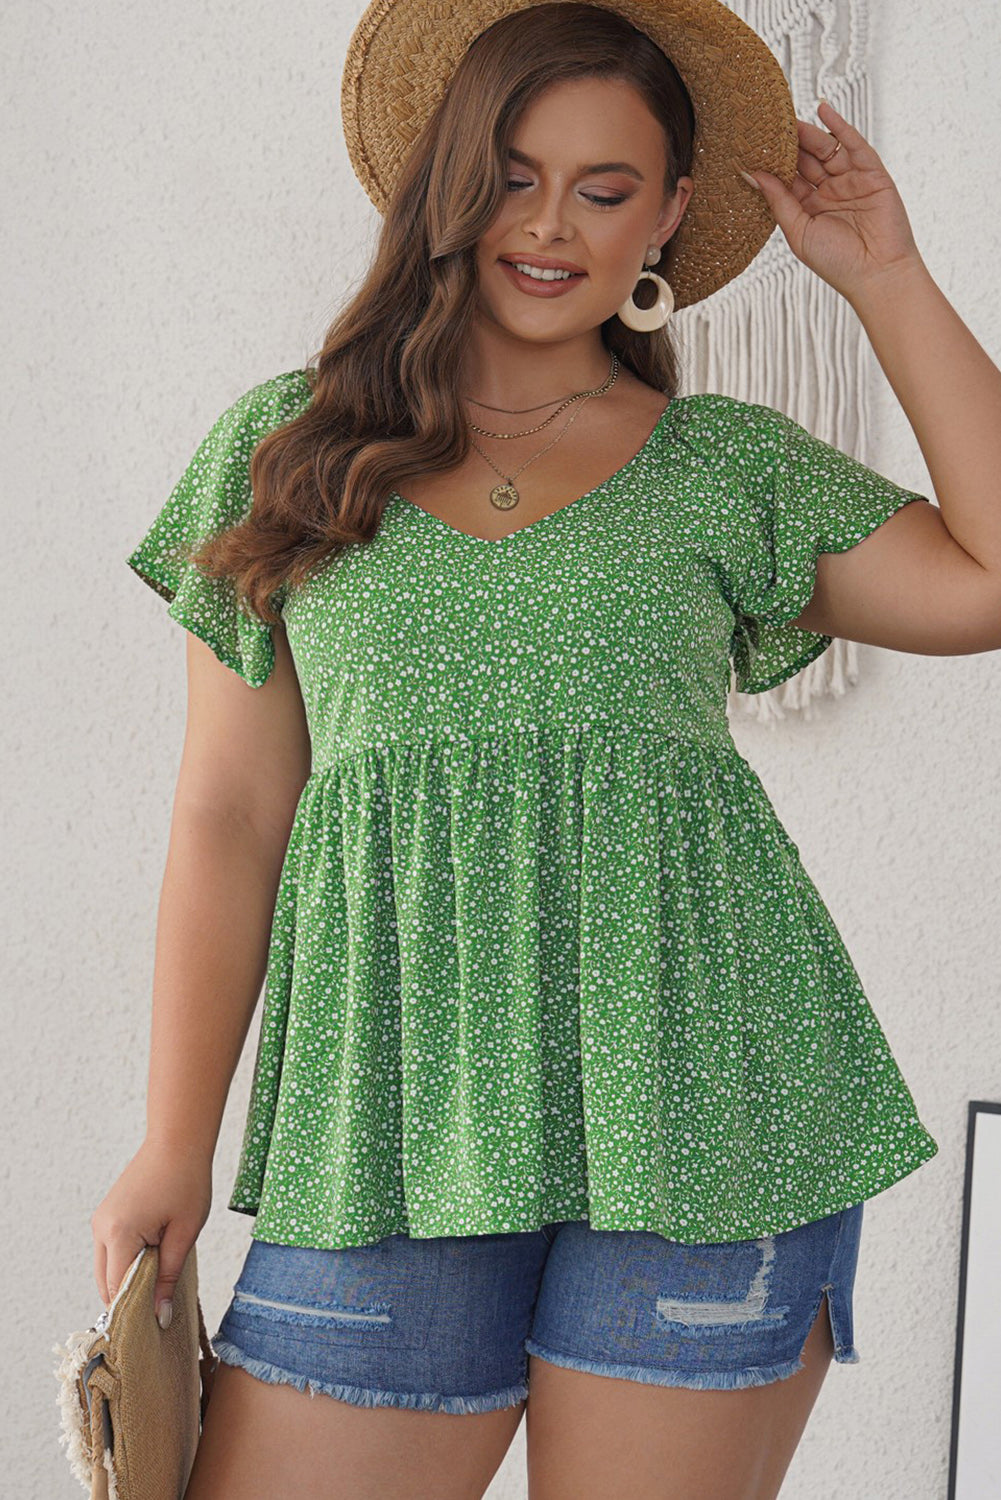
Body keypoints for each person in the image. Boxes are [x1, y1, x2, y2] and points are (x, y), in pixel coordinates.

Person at [92, 2, 1000, 1497]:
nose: (550, 225)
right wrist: (171, 1142)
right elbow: (230, 815)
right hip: (384, 1131)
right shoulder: (290, 452)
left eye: (604, 187)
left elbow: (987, 580)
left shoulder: (723, 466)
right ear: (446, 181)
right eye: (512, 176)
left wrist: (884, 278)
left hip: (713, 1116)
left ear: (669, 214)